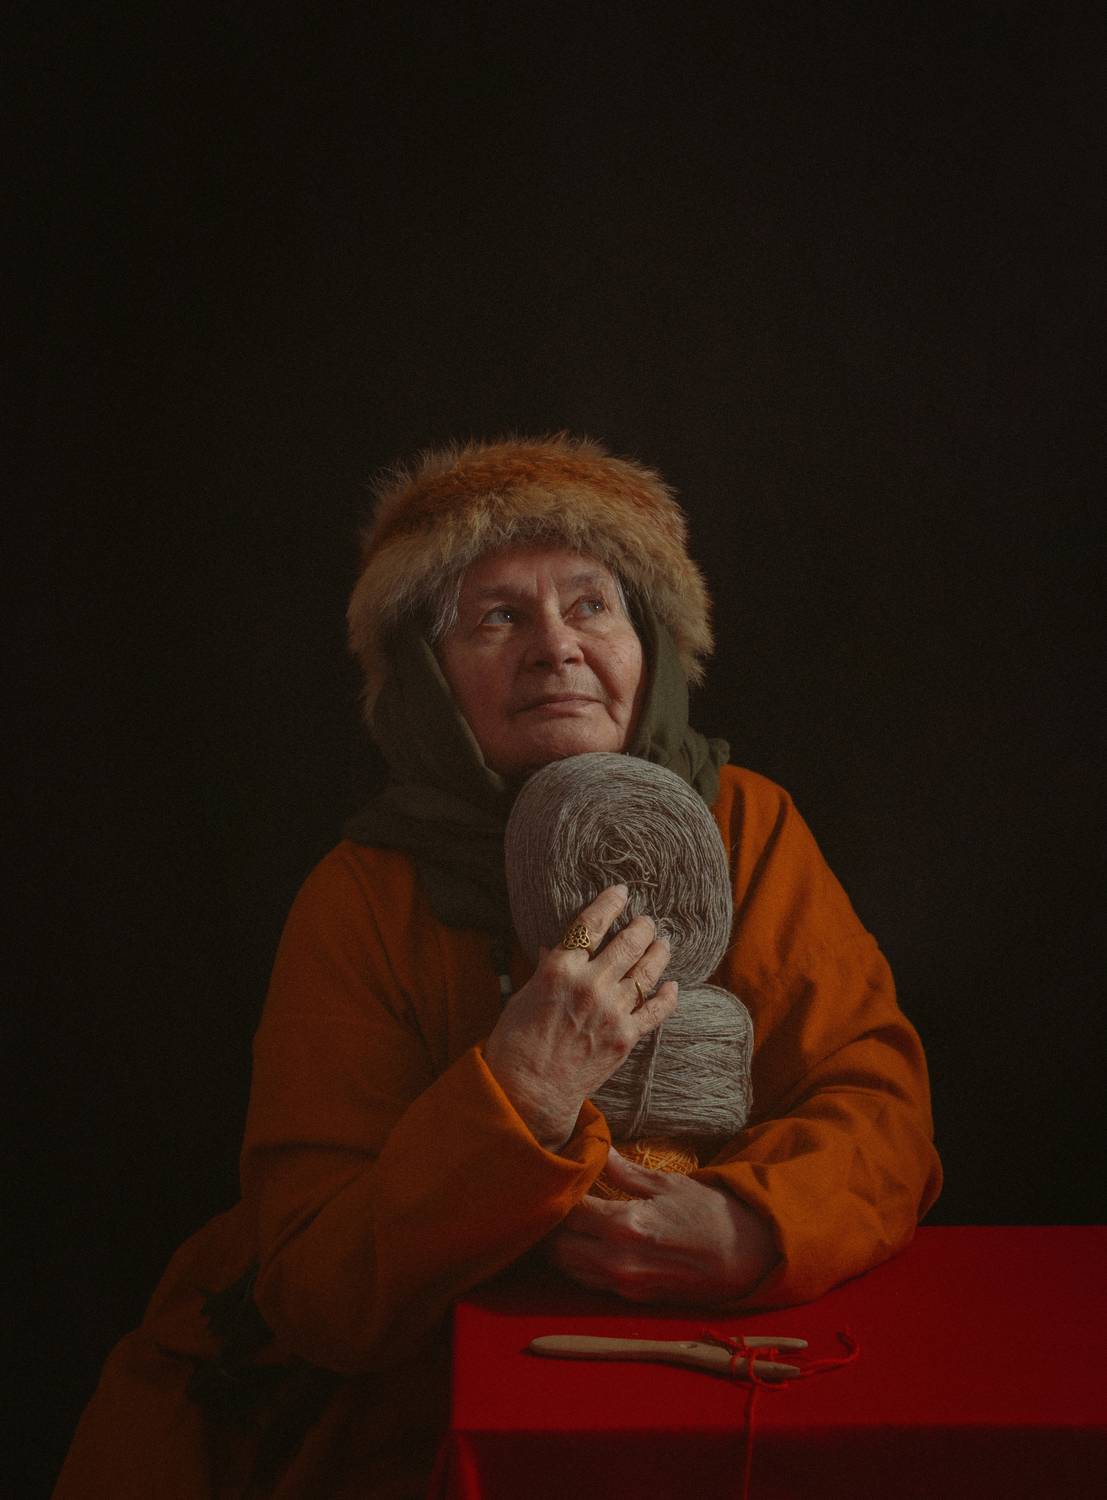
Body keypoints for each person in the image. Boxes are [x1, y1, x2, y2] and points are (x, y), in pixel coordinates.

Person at [54, 435, 941, 1499]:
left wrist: (757, 1227)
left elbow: (879, 1105)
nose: (556, 648)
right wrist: (516, 1093)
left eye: (592, 606)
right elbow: (317, 1287)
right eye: (497, 618)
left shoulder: (748, 829)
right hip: (429, 1405)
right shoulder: (363, 897)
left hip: (720, 1364)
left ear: (650, 646)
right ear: (429, 678)